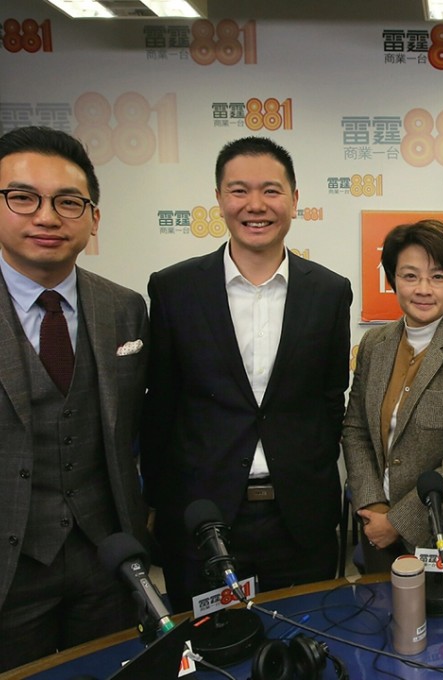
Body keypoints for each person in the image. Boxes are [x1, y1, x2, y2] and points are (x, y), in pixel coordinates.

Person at [141, 137, 352, 612]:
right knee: (212, 652)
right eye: (239, 191)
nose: (255, 205)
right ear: (219, 199)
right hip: (203, 519)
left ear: (295, 200)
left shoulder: (329, 291)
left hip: (299, 520)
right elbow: (162, 405)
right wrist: (158, 504)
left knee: (305, 644)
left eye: (271, 191)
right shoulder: (175, 288)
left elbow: (329, 397)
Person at [0, 126, 149, 671]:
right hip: (9, 570)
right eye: (22, 198)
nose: (46, 216)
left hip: (107, 557)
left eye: (67, 202)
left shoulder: (125, 308)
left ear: (93, 218)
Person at [343, 220, 443, 572]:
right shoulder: (374, 345)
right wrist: (374, 506)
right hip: (378, 530)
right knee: (385, 622)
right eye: (410, 276)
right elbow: (355, 430)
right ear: (393, 280)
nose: (423, 289)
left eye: (438, 276)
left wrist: (397, 522)